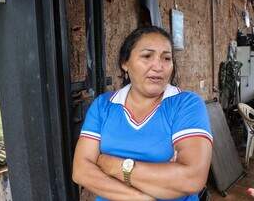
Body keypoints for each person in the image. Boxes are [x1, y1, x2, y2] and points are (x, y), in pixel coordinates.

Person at [72, 26, 213, 201]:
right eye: (147, 56)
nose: (158, 66)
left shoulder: (185, 104)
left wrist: (113, 165)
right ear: (125, 63)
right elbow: (80, 171)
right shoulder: (103, 106)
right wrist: (140, 197)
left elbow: (192, 179)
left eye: (166, 58)